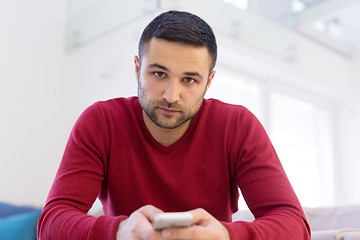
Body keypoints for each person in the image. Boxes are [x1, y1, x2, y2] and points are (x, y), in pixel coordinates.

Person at [37, 10, 311, 240]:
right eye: (158, 73)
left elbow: (295, 225)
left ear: (209, 81)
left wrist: (226, 236)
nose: (171, 95)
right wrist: (120, 230)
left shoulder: (237, 126)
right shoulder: (100, 122)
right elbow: (51, 222)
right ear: (137, 69)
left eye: (189, 80)